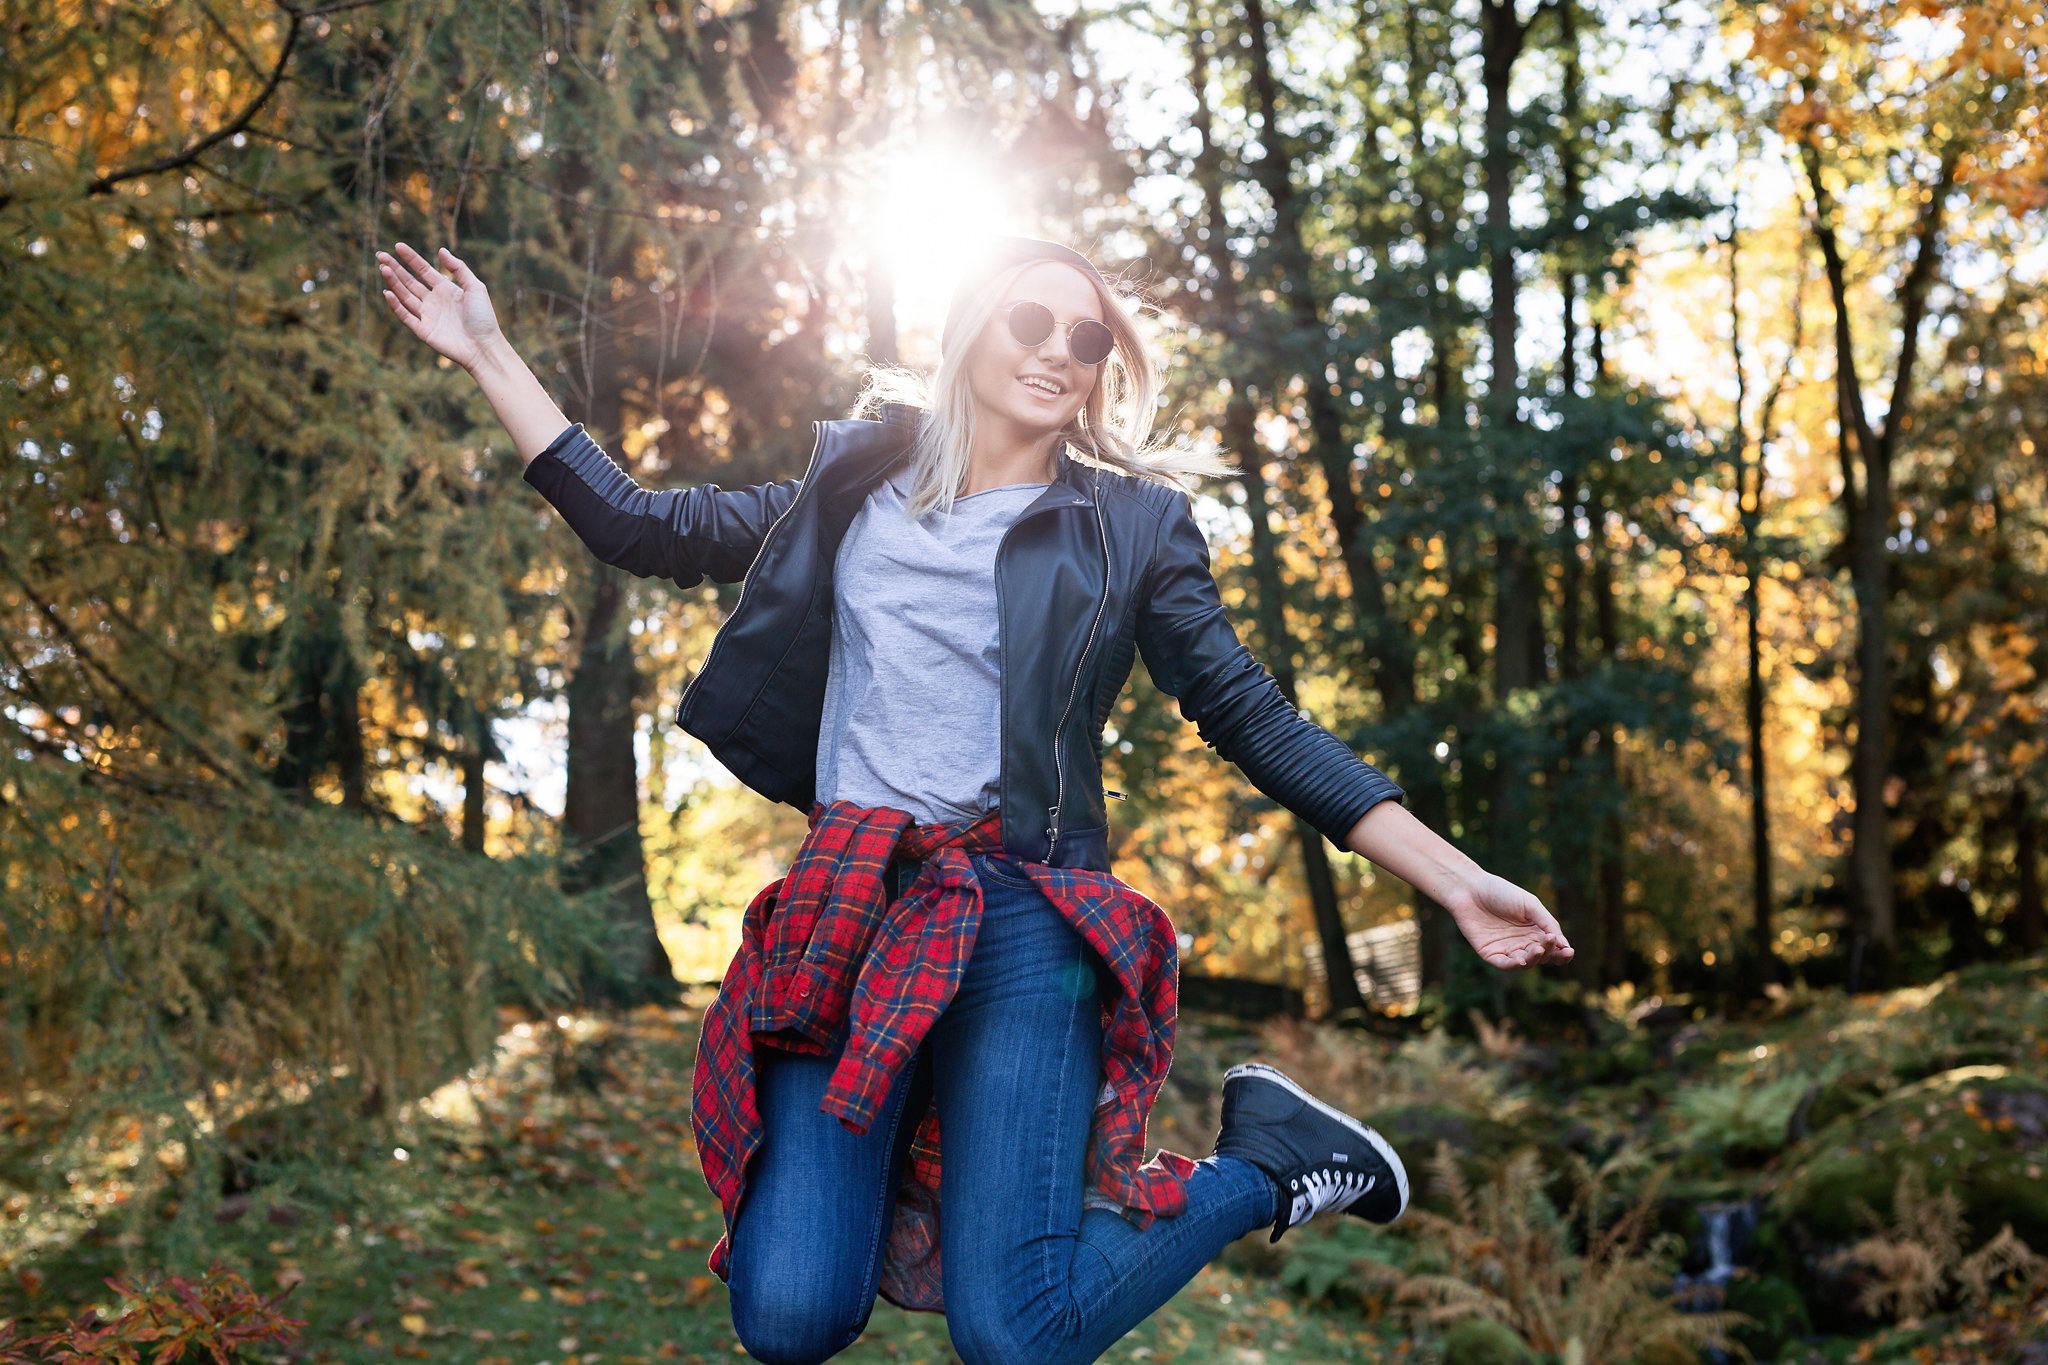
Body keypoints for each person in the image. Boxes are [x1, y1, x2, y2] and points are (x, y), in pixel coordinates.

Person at [377, 235, 1573, 1365]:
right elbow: (639, 527)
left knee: (1015, 1337)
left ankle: (1265, 1165)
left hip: (1022, 921)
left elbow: (1252, 718)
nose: (1059, 352)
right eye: (1030, 321)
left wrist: (1455, 879)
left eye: (1088, 340)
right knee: (789, 1311)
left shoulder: (1132, 528)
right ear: (967, 329)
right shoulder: (849, 483)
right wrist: (487, 350)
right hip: (851, 908)